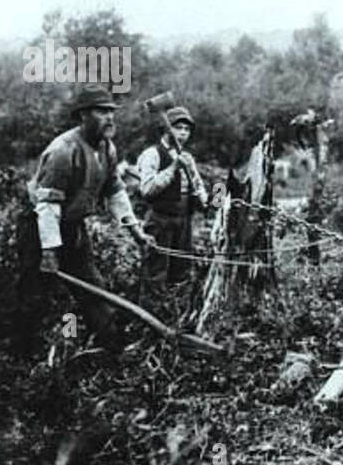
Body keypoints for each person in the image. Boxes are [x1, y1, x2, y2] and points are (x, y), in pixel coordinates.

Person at [17, 85, 155, 354]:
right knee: (35, 294)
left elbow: (115, 192)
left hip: (72, 227)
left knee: (94, 289)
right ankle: (22, 357)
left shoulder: (107, 148)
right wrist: (49, 251)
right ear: (83, 115)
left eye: (111, 112)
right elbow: (47, 206)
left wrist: (136, 231)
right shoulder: (63, 151)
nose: (110, 118)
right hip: (39, 229)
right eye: (101, 112)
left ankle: (112, 349)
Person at [135, 106, 208, 286]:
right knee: (156, 272)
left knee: (181, 271)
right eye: (178, 128)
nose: (183, 133)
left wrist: (205, 201)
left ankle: (176, 311)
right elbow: (147, 190)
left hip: (184, 220)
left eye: (187, 129)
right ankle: (149, 312)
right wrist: (173, 167)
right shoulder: (152, 154)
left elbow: (198, 184)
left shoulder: (187, 157)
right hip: (160, 220)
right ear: (167, 129)